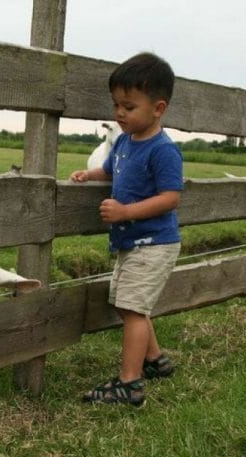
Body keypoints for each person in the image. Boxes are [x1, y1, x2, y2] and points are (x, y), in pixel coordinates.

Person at [70, 52, 183, 407]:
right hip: (132, 242)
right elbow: (112, 171)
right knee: (125, 303)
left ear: (158, 108)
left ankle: (129, 384)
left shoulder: (163, 151)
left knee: (133, 309)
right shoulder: (122, 142)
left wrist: (125, 212)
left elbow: (170, 197)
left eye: (129, 106)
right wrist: (90, 175)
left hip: (154, 243)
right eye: (116, 105)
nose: (119, 113)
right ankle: (154, 360)